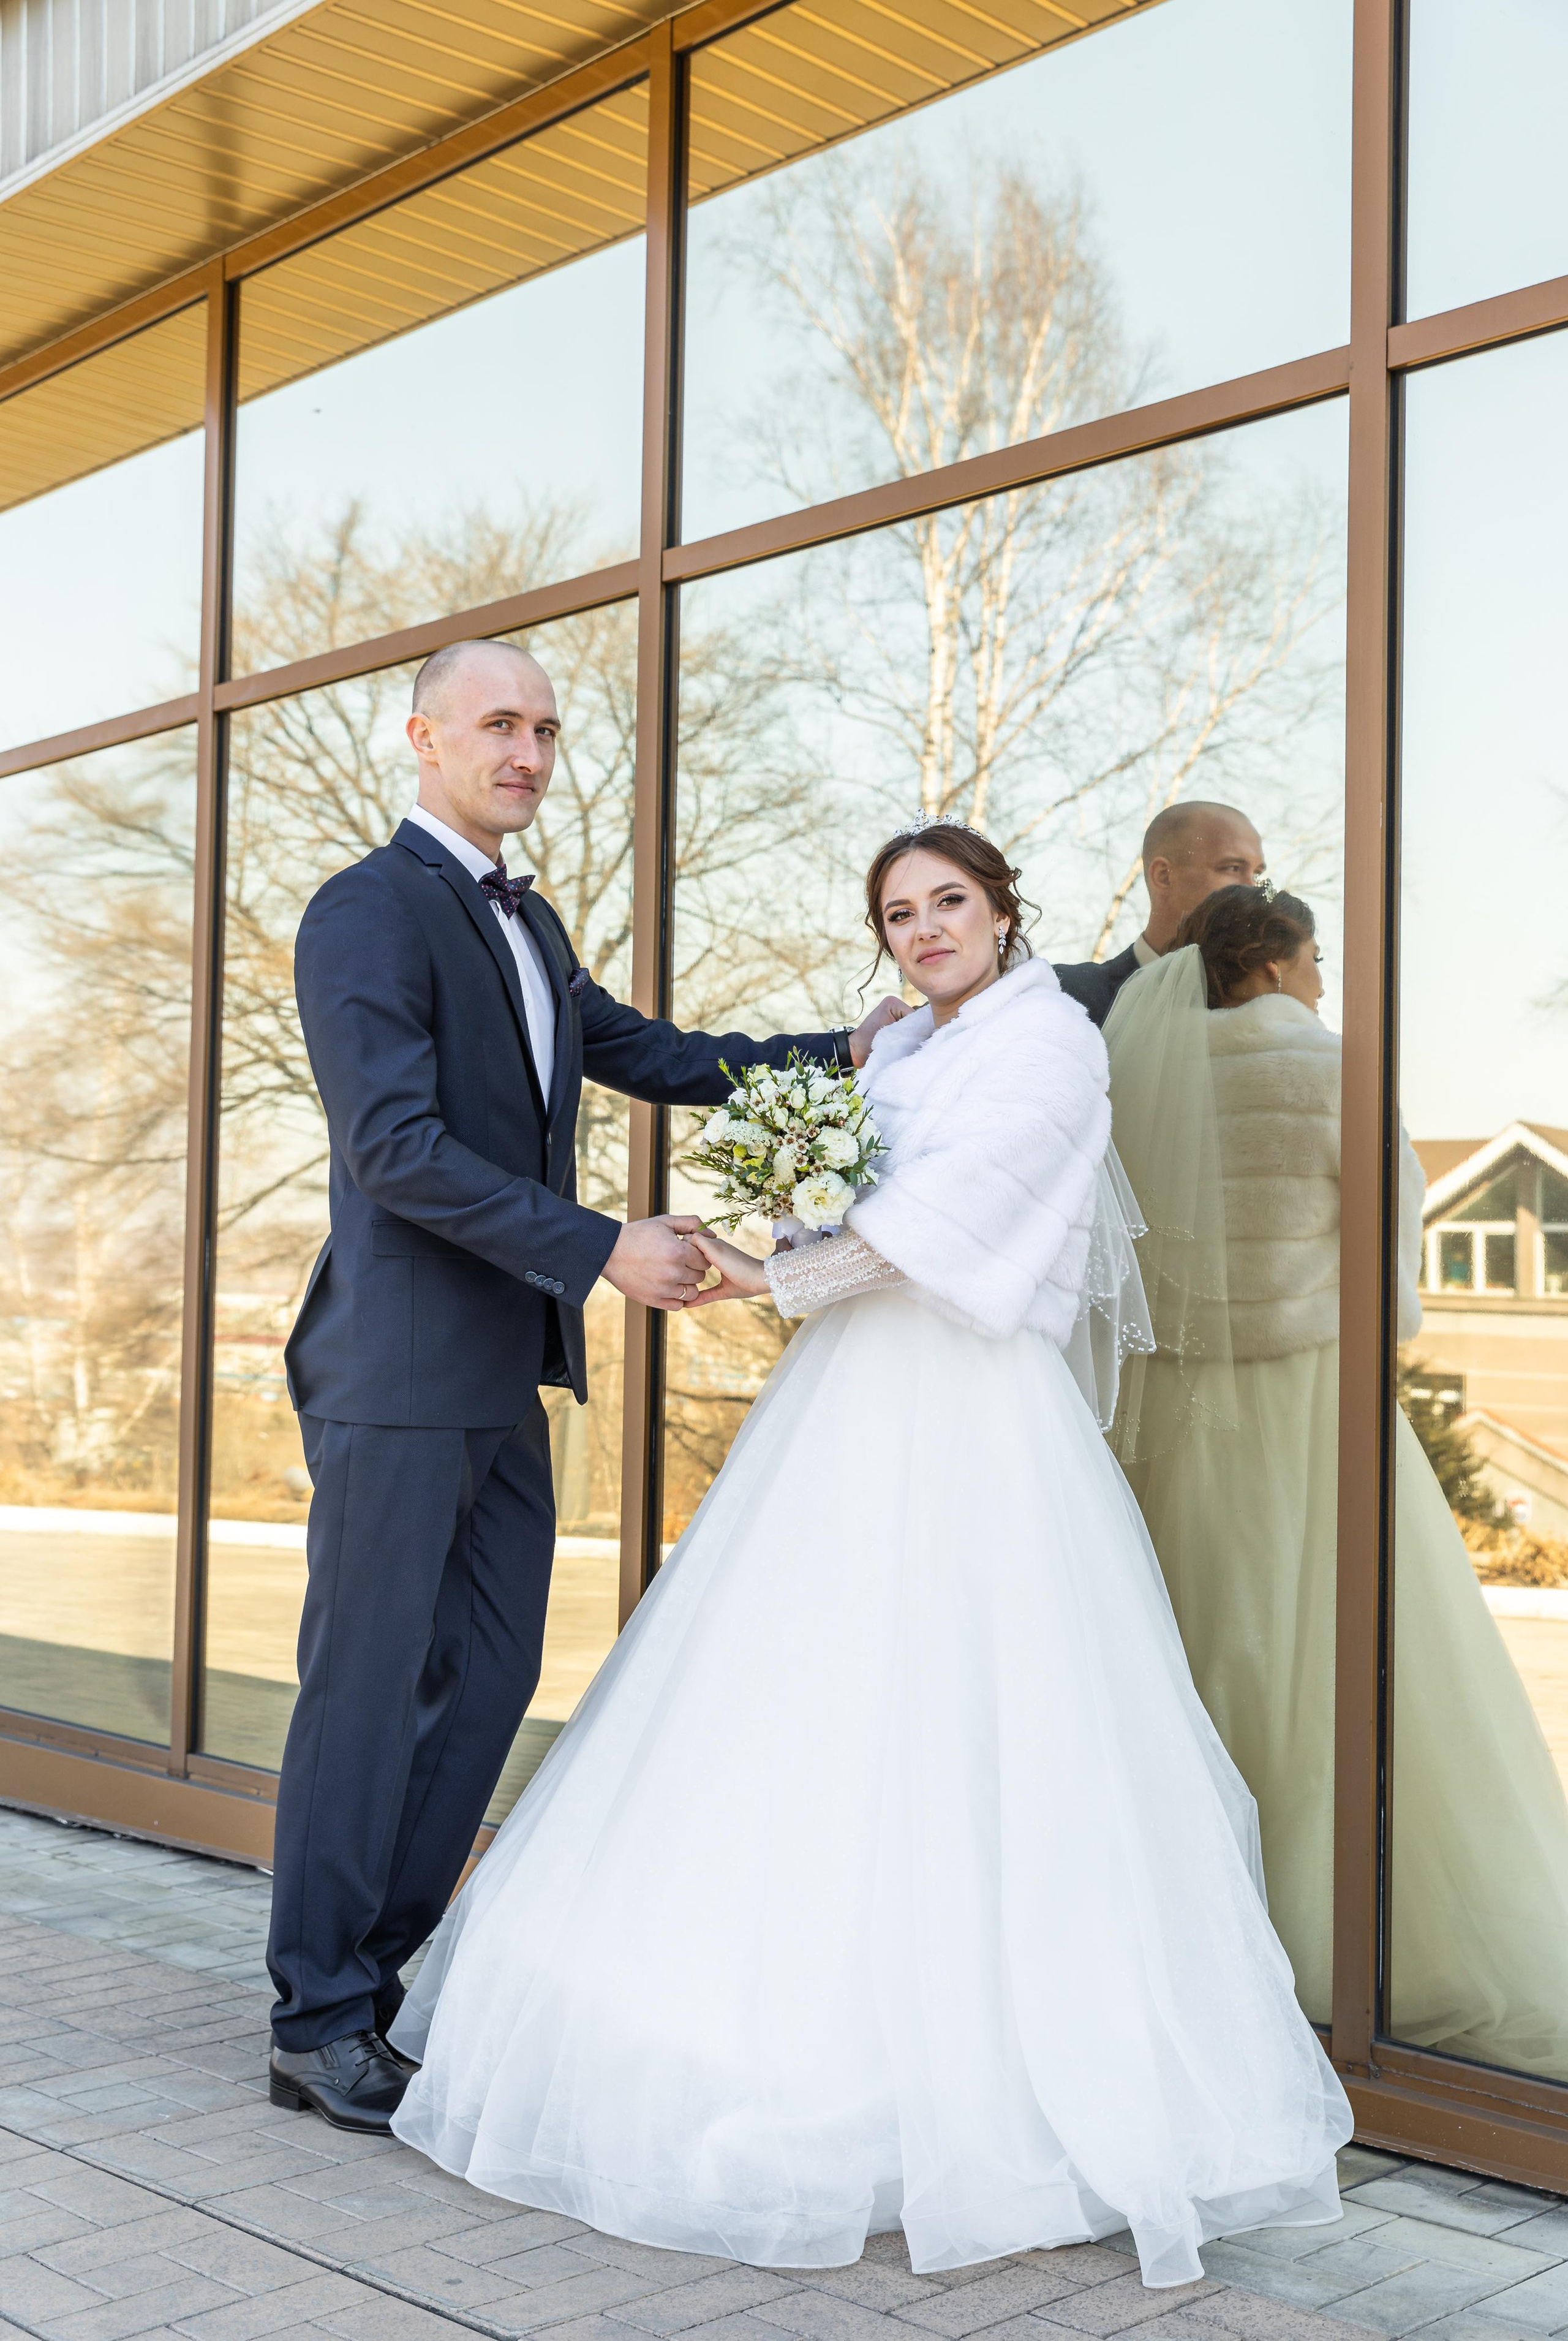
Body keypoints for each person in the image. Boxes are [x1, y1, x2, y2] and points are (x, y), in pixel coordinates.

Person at [387, 817, 1351, 2289]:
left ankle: (999, 2084)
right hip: (847, 1407)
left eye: (945, 900)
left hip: (971, 1417)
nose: (921, 929)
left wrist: (753, 1271)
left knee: (982, 1716)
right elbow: (842, 1195)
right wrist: (775, 1219)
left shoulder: (1049, 1048)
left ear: (1002, 909)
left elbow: (934, 1228)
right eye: (895, 910)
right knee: (807, 1704)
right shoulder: (895, 1051)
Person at [266, 637, 901, 2134]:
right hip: (399, 1371)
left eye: (547, 728)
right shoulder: (365, 909)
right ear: (421, 736)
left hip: (506, 1372)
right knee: (363, 1690)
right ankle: (314, 2012)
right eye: (500, 723)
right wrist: (598, 1244)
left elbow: (649, 1051)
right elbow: (394, 1150)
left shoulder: (526, 921)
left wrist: (845, 1052)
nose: (530, 751)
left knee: (485, 1682)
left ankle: (376, 1975)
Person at [1104, 885, 1568, 2072]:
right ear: (1273, 965)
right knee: (1344, 1661)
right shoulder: (1330, 1071)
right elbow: (1393, 1290)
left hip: (1179, 1410)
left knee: (1200, 1652)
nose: (1322, 978)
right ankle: (1335, 1949)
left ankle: (1184, 1933)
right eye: (1315, 957)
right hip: (1310, 1398)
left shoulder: (1143, 1071)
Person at [1054, 801, 1265, 1026]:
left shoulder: (1263, 1006)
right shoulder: (1069, 995)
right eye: (1233, 868)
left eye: (1258, 874)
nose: (1253, 889)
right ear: (1164, 875)